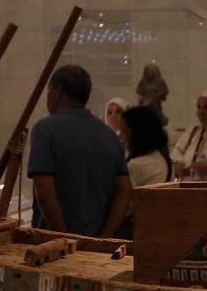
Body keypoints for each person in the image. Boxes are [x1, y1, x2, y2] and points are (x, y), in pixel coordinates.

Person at [27, 64, 132, 238]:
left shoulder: (44, 130)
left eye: (48, 90)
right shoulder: (108, 135)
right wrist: (105, 236)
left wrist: (66, 239)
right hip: (95, 244)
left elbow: (45, 193)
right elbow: (124, 191)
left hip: (53, 247)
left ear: (57, 90)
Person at [123, 103, 173, 188]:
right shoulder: (163, 158)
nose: (121, 136)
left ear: (136, 133)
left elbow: (124, 198)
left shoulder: (136, 165)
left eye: (124, 130)